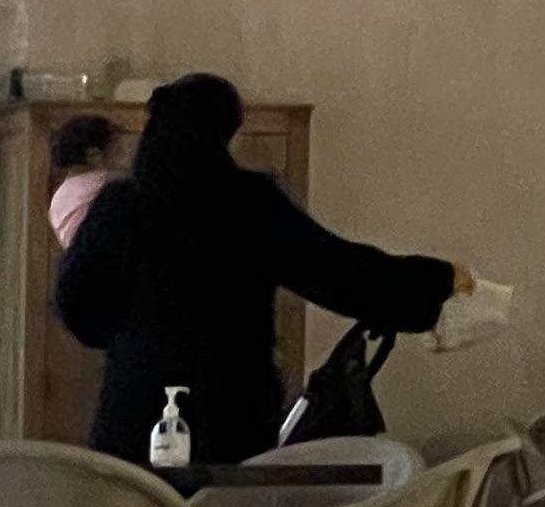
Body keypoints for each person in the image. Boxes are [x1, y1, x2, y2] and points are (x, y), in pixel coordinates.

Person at [53, 74, 463, 470]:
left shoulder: (118, 207)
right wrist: (437, 281)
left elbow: (75, 305)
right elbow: (340, 273)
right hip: (230, 416)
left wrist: (140, 340)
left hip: (133, 416)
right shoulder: (247, 203)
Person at [45, 112, 123, 250]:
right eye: (117, 149)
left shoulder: (59, 198)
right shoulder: (106, 183)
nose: (123, 154)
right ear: (93, 155)